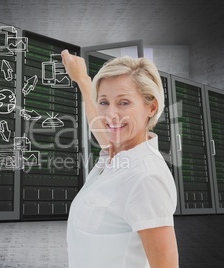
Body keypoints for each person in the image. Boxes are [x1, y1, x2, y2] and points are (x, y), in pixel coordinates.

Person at [61, 50, 179, 268]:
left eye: (124, 103)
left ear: (151, 107)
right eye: (104, 102)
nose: (111, 114)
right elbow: (100, 127)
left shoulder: (147, 178)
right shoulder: (117, 153)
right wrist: (82, 80)